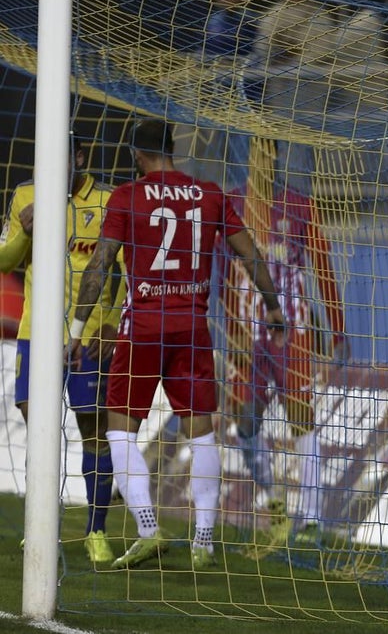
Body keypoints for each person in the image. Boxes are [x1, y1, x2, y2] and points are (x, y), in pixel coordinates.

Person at [67, 120, 285, 570]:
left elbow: (101, 264)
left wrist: (77, 327)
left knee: (119, 430)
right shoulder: (209, 195)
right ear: (172, 150)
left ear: (136, 154)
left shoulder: (126, 197)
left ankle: (148, 530)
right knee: (201, 431)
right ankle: (204, 541)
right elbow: (250, 253)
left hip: (144, 326)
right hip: (192, 327)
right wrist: (273, 304)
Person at [0, 144, 122, 563]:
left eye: (62, 160)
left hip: (89, 337)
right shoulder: (25, 195)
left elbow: (124, 269)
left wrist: (112, 322)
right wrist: (23, 233)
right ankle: (40, 526)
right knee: (37, 423)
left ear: (81, 159)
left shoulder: (108, 201)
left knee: (93, 426)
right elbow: (4, 261)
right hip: (38, 334)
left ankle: (96, 530)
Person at [220, 136, 347, 540]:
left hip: (291, 333)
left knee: (300, 418)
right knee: (244, 421)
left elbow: (322, 269)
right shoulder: (232, 204)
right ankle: (270, 496)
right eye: (258, 150)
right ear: (249, 155)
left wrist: (337, 327)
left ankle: (311, 516)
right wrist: (228, 330)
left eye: (271, 151)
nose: (266, 159)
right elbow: (222, 275)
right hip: (246, 335)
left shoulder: (300, 206)